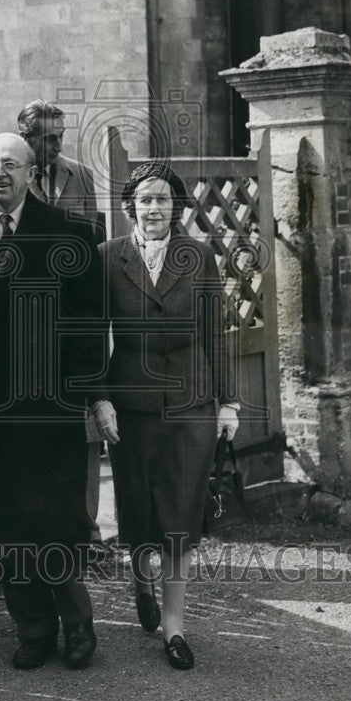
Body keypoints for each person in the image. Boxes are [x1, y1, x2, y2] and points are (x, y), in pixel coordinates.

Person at [0, 133, 116, 670]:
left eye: (10, 164)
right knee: (4, 520)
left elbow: (88, 325)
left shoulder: (70, 233)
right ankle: (32, 629)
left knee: (54, 517)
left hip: (46, 406)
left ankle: (77, 623)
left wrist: (90, 395)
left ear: (32, 173)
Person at [99, 161, 239, 670]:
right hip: (131, 407)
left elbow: (215, 331)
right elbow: (92, 336)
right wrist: (100, 398)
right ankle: (142, 583)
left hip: (190, 406)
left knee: (179, 517)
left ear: (176, 206)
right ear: (130, 207)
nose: (154, 208)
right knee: (138, 509)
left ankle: (174, 627)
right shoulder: (108, 257)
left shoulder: (198, 257)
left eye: (162, 199)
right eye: (145, 199)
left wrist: (228, 402)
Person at [0, 100, 106, 540]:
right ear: (25, 138)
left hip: (68, 320)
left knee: (78, 424)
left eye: (61, 136)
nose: (58, 145)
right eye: (48, 138)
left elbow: (93, 244)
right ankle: (25, 532)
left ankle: (83, 529)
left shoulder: (80, 175)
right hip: (17, 326)